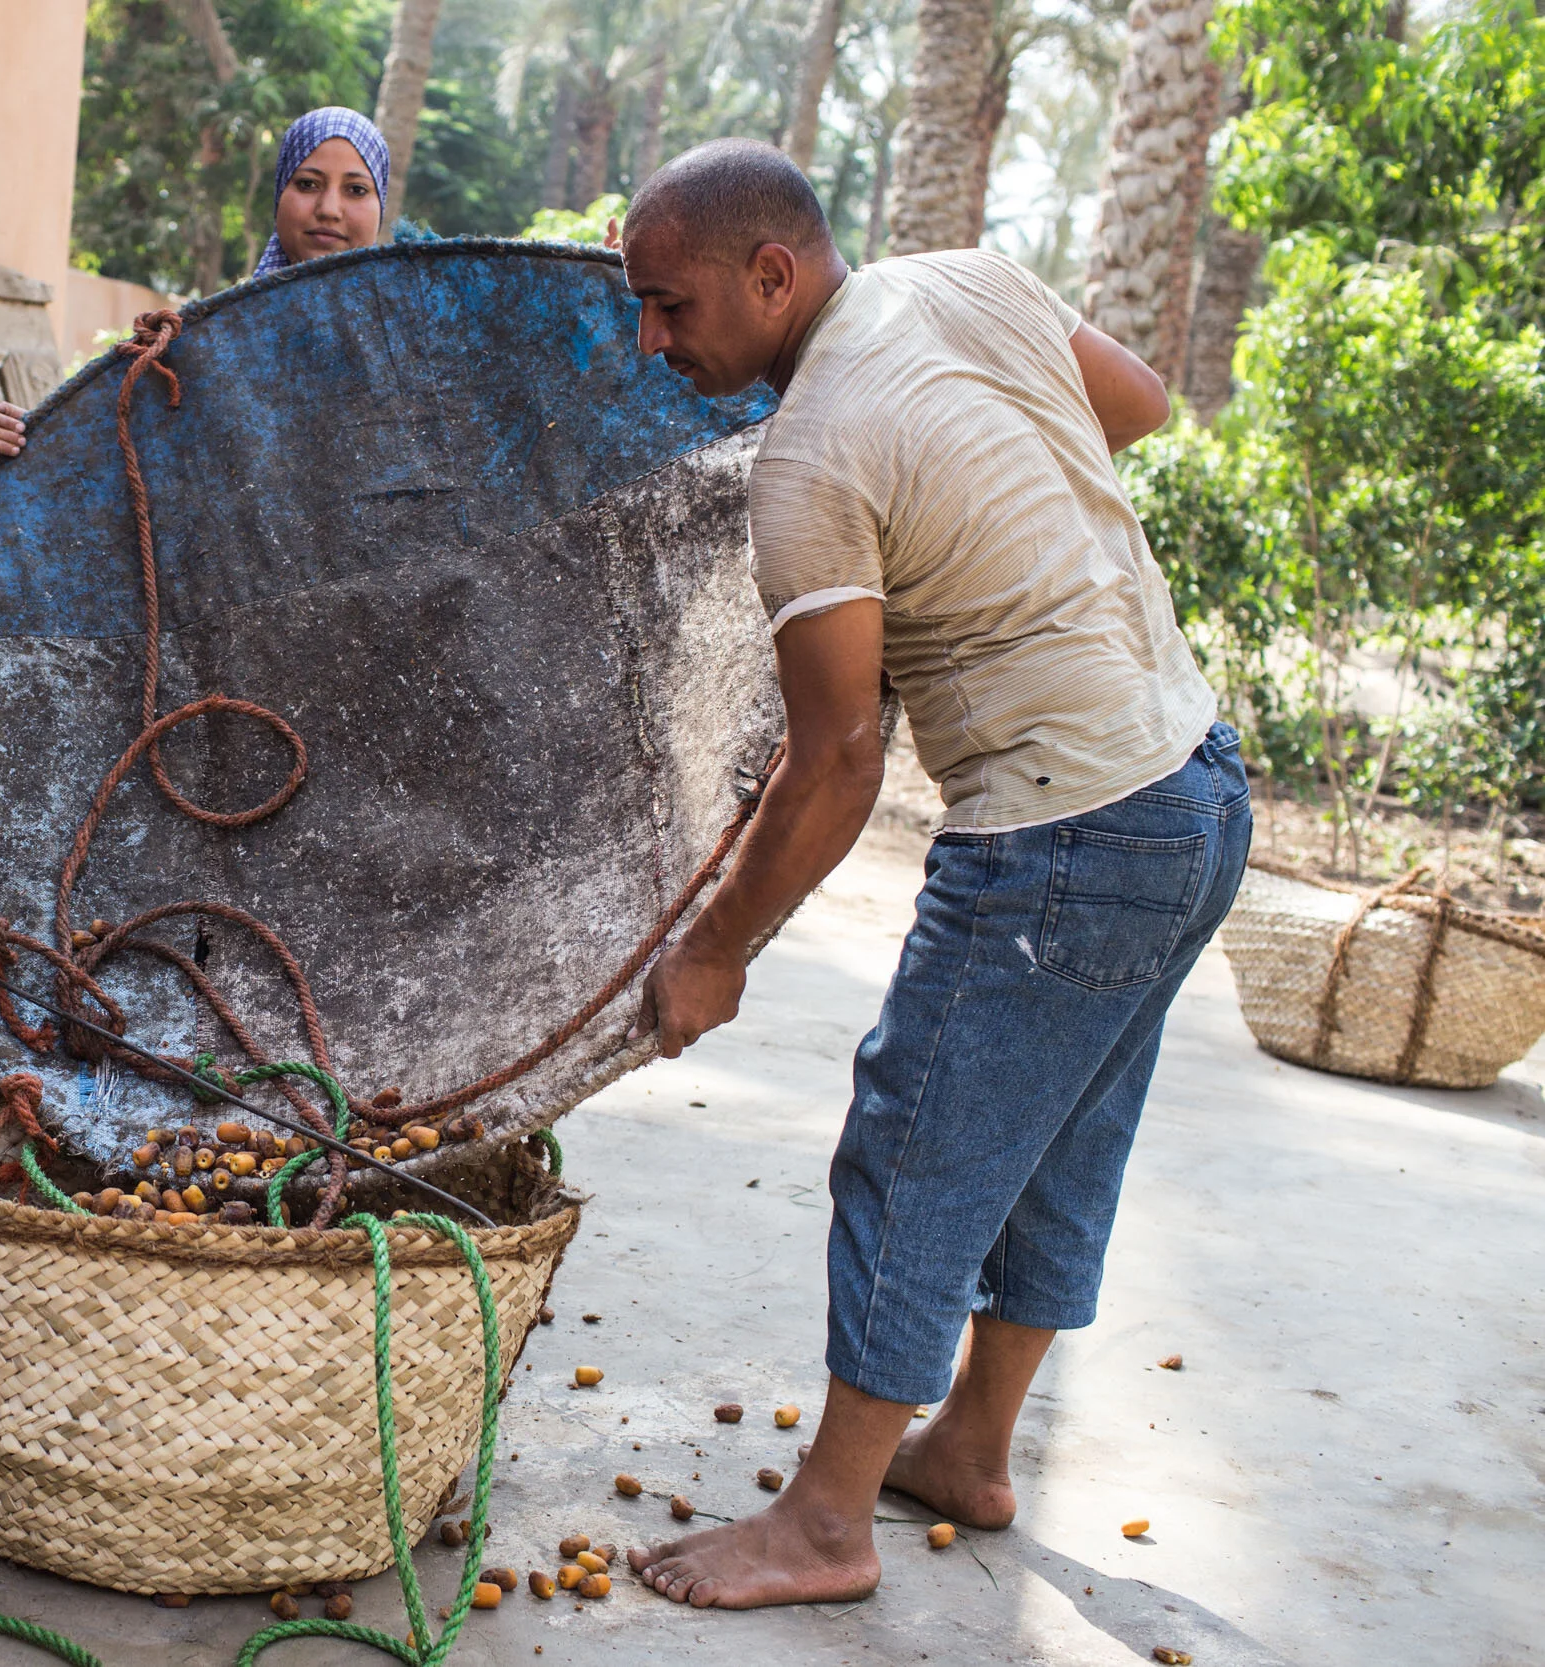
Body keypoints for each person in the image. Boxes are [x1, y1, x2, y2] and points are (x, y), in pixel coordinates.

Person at [615, 140, 1249, 1609]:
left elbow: (836, 764)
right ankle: (968, 1444)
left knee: (916, 1141)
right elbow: (1138, 404)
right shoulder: (964, 283)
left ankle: (827, 1520)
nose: (653, 340)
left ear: (772, 275)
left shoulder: (814, 459)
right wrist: (993, 507)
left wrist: (717, 948)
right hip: (1196, 789)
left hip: (1063, 831)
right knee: (1059, 1138)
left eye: (671, 304)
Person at [0, 107, 391, 467]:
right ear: (279, 194)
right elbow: (123, 451)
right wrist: (31, 443)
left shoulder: (412, 345)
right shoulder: (208, 343)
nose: (329, 209)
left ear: (380, 204)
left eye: (356, 190)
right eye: (308, 184)